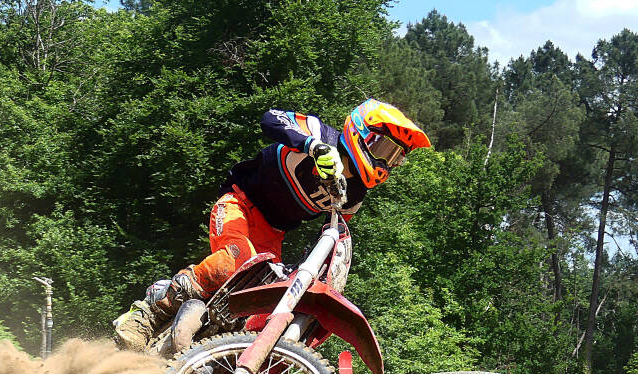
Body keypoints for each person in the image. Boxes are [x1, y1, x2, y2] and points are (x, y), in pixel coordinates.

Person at [114, 97, 431, 351]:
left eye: (395, 157)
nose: (386, 162)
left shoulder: (354, 195)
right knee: (234, 261)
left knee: (258, 301)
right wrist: (312, 147)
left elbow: (333, 235)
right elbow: (271, 118)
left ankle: (201, 353)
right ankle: (149, 311)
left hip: (273, 233)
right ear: (361, 133)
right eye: (383, 150)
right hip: (239, 203)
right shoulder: (319, 133)